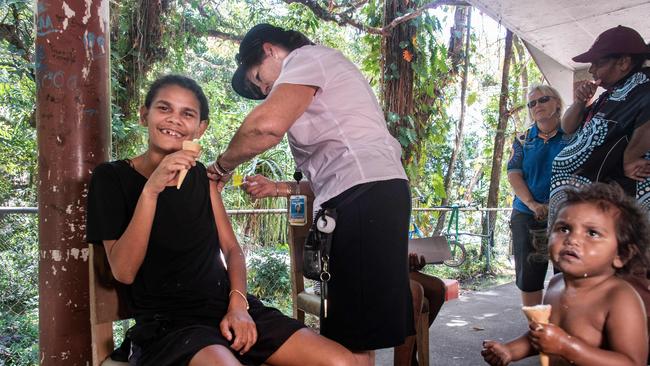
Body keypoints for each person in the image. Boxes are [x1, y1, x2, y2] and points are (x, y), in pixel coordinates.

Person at [86, 74, 358, 366]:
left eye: (187, 114)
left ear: (200, 128)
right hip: (168, 324)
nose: (174, 120)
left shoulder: (201, 179)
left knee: (341, 362)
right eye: (164, 108)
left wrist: (238, 305)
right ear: (144, 115)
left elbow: (231, 250)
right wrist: (151, 189)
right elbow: (124, 272)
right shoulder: (111, 178)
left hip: (226, 306)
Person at [208, 23, 413, 364]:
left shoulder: (306, 59)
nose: (264, 90)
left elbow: (265, 126)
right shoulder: (316, 79)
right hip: (364, 194)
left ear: (270, 49)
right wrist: (279, 188)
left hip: (364, 195)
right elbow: (327, 174)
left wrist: (220, 167)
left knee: (353, 338)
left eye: (258, 78)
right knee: (354, 331)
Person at [482, 183, 650, 366]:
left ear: (621, 255)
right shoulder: (556, 285)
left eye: (592, 233)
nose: (573, 239)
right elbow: (542, 336)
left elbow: (632, 362)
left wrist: (566, 346)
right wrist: (510, 350)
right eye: (564, 229)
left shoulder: (620, 298)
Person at [549, 25, 650, 221]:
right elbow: (567, 127)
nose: (591, 70)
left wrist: (632, 155)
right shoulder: (610, 97)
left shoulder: (642, 85)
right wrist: (580, 102)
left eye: (598, 63)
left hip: (628, 199)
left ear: (623, 62)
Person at [507, 85, 569, 306]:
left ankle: (563, 329)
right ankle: (537, 330)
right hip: (528, 214)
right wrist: (532, 204)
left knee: (568, 275)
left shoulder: (572, 136)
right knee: (530, 277)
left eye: (543, 100)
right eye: (532, 103)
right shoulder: (523, 140)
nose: (537, 106)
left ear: (557, 103)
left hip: (566, 217)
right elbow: (514, 175)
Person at [393, 254, 446, 366]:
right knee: (413, 291)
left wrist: (410, 261)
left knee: (438, 288)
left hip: (394, 268)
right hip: (371, 269)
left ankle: (411, 354)